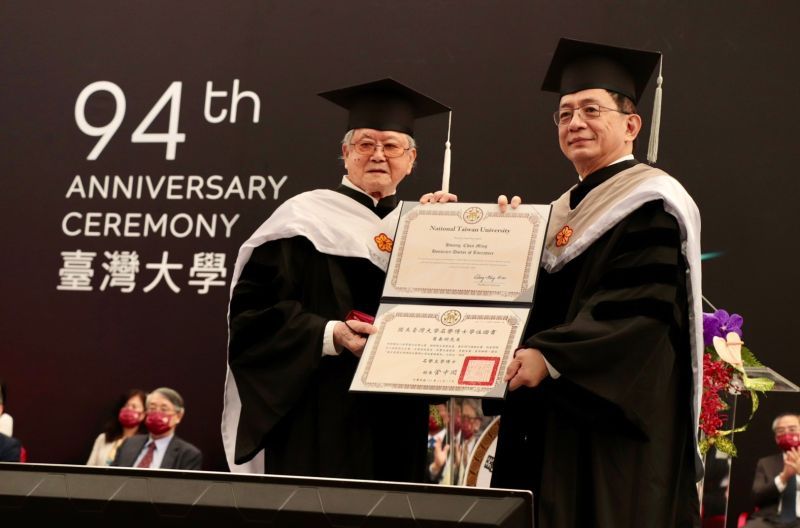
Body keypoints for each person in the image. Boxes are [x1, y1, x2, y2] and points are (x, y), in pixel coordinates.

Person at [425, 38, 703, 527]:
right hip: (545, 426)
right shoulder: (555, 212)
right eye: (565, 113)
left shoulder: (651, 204)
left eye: (591, 110)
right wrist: (464, 235)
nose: (575, 122)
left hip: (606, 436)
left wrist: (551, 357)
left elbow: (641, 311)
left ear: (631, 125)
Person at [222, 78, 450, 479]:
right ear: (345, 153)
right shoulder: (302, 222)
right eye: (365, 144)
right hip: (317, 416)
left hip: (397, 419)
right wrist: (331, 334)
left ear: (411, 159)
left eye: (391, 146)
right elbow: (251, 319)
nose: (378, 155)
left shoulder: (423, 226)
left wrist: (447, 236)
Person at [112, 387, 202, 470]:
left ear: (178, 416)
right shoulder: (128, 444)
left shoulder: (188, 454)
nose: (156, 413)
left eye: (164, 409)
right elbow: (111, 477)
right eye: (152, 408)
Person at [743, 414, 800, 528]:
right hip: (770, 519)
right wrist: (783, 478)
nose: (787, 434)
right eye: (781, 431)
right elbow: (757, 497)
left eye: (792, 429)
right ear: (776, 438)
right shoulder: (766, 463)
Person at [86, 389, 147, 466]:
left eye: (134, 407)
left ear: (143, 415)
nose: (129, 409)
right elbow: (89, 467)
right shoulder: (103, 438)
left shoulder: (145, 444)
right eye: (126, 405)